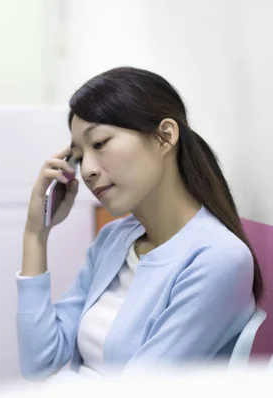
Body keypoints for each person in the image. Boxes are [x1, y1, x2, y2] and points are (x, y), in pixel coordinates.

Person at [17, 66, 263, 380]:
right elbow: (39, 362)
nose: (88, 170)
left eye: (100, 143)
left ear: (164, 136)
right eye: (78, 158)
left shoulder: (217, 259)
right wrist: (35, 234)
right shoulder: (114, 240)